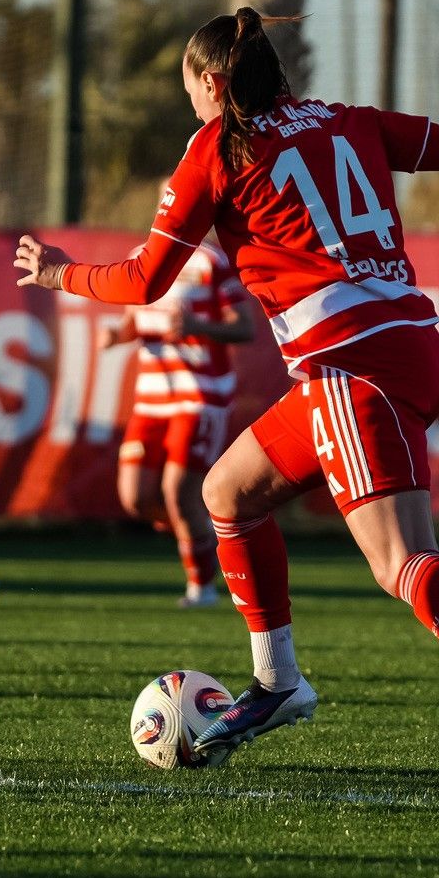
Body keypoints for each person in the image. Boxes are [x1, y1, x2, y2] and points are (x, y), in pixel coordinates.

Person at [15, 8, 439, 790]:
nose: (192, 105)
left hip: (348, 364)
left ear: (212, 83)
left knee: (401, 560)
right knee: (227, 493)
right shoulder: (348, 120)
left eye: (191, 89)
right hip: (407, 347)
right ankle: (277, 682)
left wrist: (59, 272)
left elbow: (143, 279)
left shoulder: (216, 148)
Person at [96, 232, 254, 606]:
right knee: (135, 498)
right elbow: (134, 321)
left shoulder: (210, 262)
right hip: (152, 399)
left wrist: (199, 328)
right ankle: (203, 534)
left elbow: (244, 327)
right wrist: (116, 335)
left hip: (200, 394)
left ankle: (202, 588)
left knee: (178, 492)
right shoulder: (139, 257)